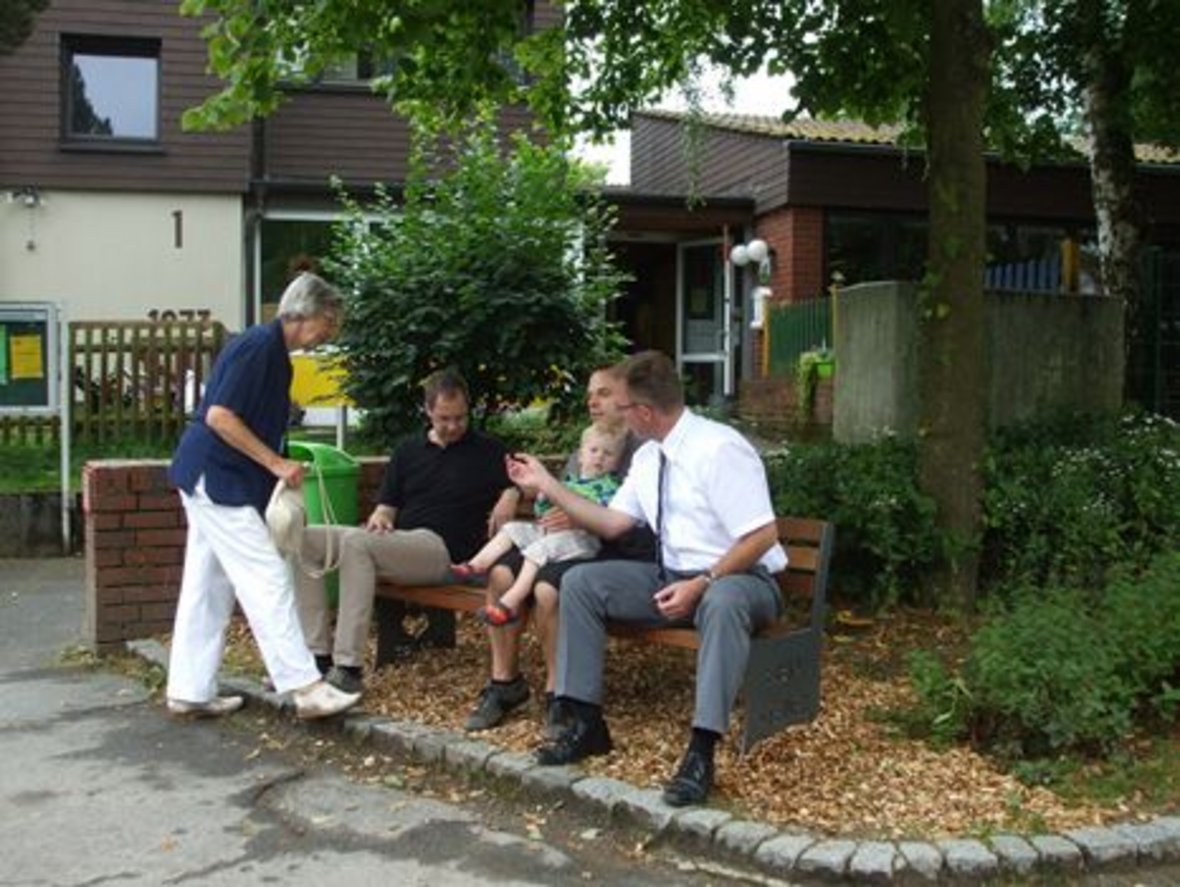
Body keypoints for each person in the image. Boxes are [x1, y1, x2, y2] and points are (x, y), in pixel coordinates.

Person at [505, 350, 786, 807]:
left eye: (621, 406)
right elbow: (613, 523)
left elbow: (762, 536)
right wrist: (547, 485)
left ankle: (701, 750)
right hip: (672, 577)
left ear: (645, 412)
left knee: (721, 602)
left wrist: (705, 581)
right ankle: (586, 722)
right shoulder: (652, 456)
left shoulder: (719, 448)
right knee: (579, 583)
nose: (616, 416)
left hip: (741, 579)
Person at [166, 272, 361, 720]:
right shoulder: (259, 348)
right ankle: (305, 686)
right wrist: (275, 465)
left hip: (207, 476)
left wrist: (278, 462)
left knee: (206, 586)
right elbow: (220, 416)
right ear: (306, 313)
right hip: (220, 481)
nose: (330, 332)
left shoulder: (270, 351)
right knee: (267, 578)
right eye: (328, 321)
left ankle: (188, 689)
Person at [295, 368, 520, 694]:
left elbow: (528, 481)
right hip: (401, 544)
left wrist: (511, 493)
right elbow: (387, 506)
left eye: (460, 418)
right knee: (307, 539)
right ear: (427, 411)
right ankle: (316, 655)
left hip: (445, 553)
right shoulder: (408, 451)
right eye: (444, 418)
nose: (454, 426)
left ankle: (348, 666)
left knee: (357, 544)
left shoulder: (488, 450)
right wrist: (381, 517)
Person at [466, 365, 650, 733]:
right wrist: (515, 491)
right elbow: (554, 492)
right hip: (554, 542)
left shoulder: (641, 452)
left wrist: (582, 517)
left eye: (602, 393)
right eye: (589, 395)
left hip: (605, 550)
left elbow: (638, 528)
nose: (593, 402)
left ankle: (559, 694)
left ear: (627, 396)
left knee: (548, 589)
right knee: (502, 571)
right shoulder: (588, 442)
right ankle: (505, 684)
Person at [453, 424, 626, 627]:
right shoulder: (570, 482)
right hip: (552, 534)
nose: (599, 457)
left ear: (616, 462)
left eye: (608, 453)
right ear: (580, 456)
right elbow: (541, 511)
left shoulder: (611, 486)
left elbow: (603, 513)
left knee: (537, 550)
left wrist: (566, 501)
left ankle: (509, 603)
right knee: (512, 529)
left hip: (583, 540)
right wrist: (543, 494)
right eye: (594, 451)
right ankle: (475, 566)